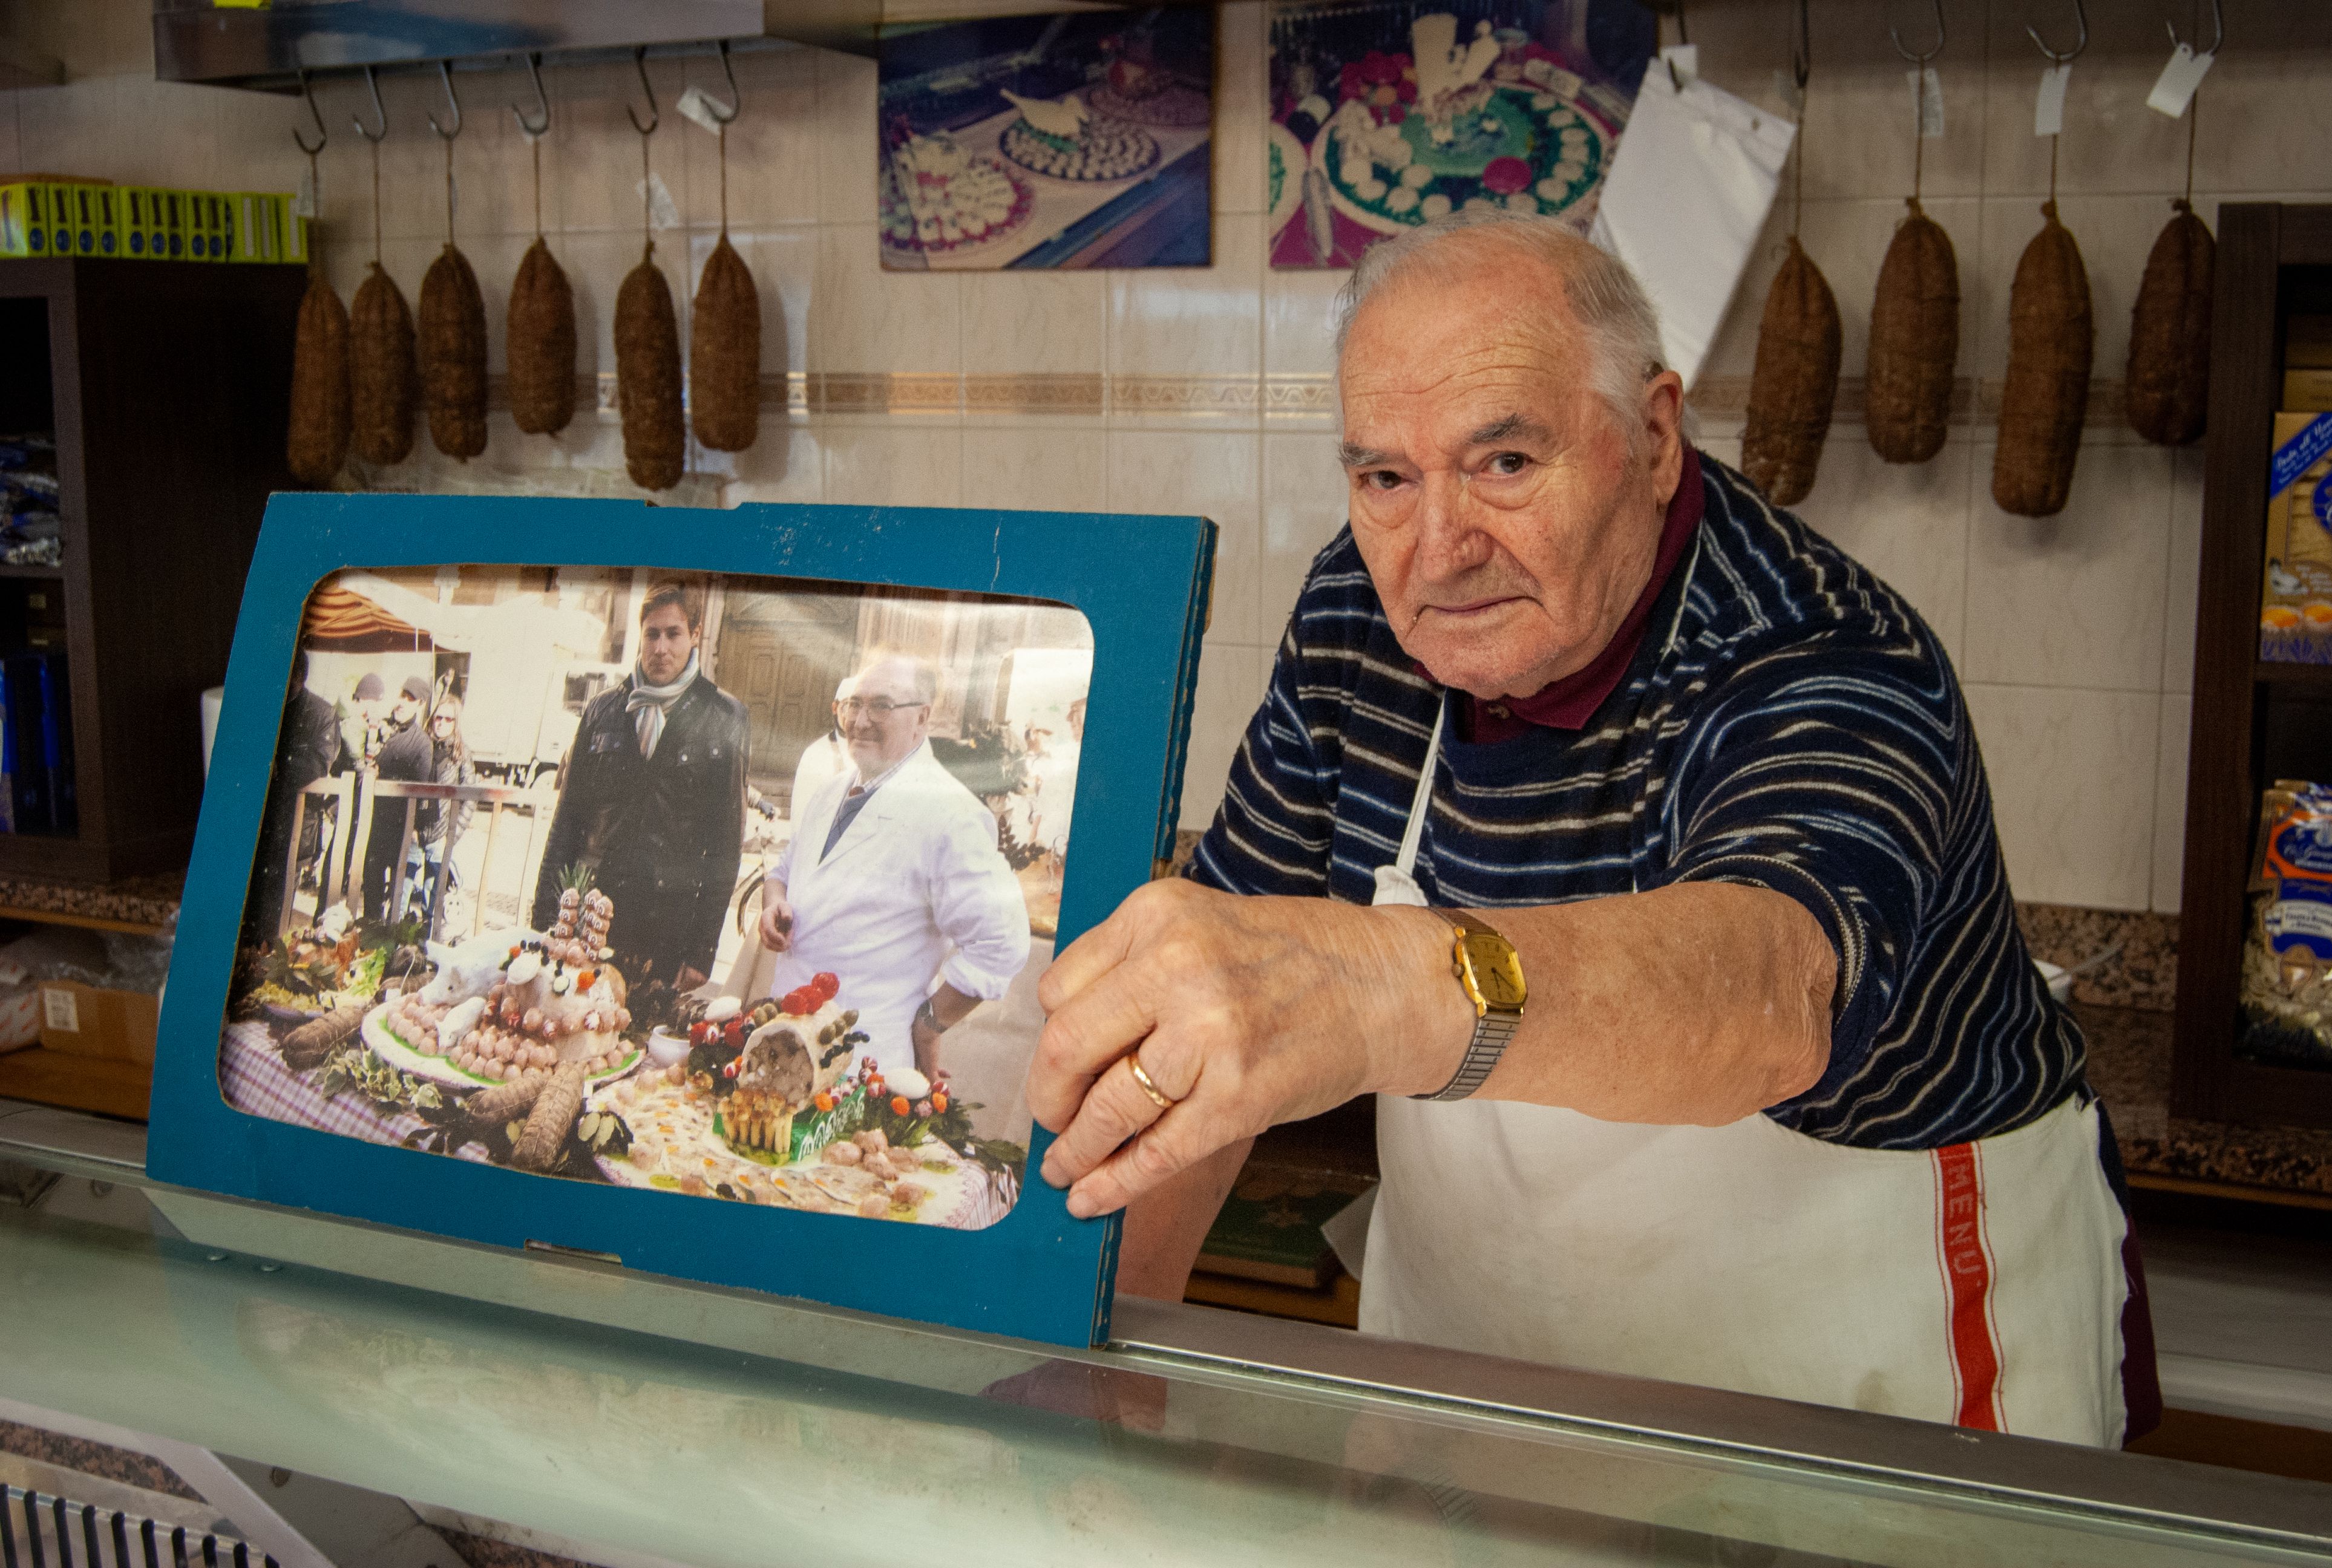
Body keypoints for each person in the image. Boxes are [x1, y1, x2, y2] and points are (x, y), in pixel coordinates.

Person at [1026, 212, 2155, 1449]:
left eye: (1505, 461)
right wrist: (1085, 1390)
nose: (1439, 551)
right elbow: (1197, 1048)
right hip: (1475, 1378)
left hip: (1857, 1388)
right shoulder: (1362, 616)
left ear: (1654, 437)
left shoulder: (1814, 649)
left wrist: (1379, 988)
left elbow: (1768, 996)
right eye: (1384, 478)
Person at [758, 655, 1029, 1079]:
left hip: (860, 1060)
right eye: (854, 704)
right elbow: (784, 870)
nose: (860, 720)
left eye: (881, 706)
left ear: (922, 717)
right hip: (782, 1036)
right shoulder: (832, 792)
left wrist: (929, 1026)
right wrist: (774, 902)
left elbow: (1002, 942)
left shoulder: (951, 814)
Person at [533, 583, 748, 987]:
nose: (661, 648)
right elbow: (567, 823)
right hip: (590, 923)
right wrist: (545, 919)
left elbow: (724, 847)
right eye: (652, 635)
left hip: (665, 933)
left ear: (695, 635)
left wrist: (701, 953)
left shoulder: (724, 716)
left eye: (673, 634)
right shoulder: (603, 709)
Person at [255, 650, 339, 932]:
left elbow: (320, 762)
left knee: (277, 905)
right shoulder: (264, 705)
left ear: (299, 676)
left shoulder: (322, 713)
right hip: (260, 820)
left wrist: (279, 764)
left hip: (294, 823)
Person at [361, 675, 433, 922]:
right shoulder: (381, 728)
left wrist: (415, 827)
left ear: (420, 704)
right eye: (402, 695)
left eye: (410, 699)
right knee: (371, 886)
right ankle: (370, 931)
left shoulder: (422, 743)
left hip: (400, 827)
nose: (402, 702)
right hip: (373, 822)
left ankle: (389, 937)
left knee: (396, 897)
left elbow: (420, 790)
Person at [405, 694, 475, 935]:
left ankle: (428, 941)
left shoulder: (462, 754)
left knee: (433, 895)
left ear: (456, 723)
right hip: (414, 831)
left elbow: (470, 798)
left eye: (448, 719)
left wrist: (451, 835)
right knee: (402, 889)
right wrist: (411, 827)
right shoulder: (421, 746)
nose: (442, 723)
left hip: (441, 833)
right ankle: (397, 938)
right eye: (438, 718)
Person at [788, 675, 857, 829]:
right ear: (835, 708)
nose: (853, 716)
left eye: (858, 707)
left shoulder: (872, 752)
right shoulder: (816, 754)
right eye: (847, 706)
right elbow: (801, 814)